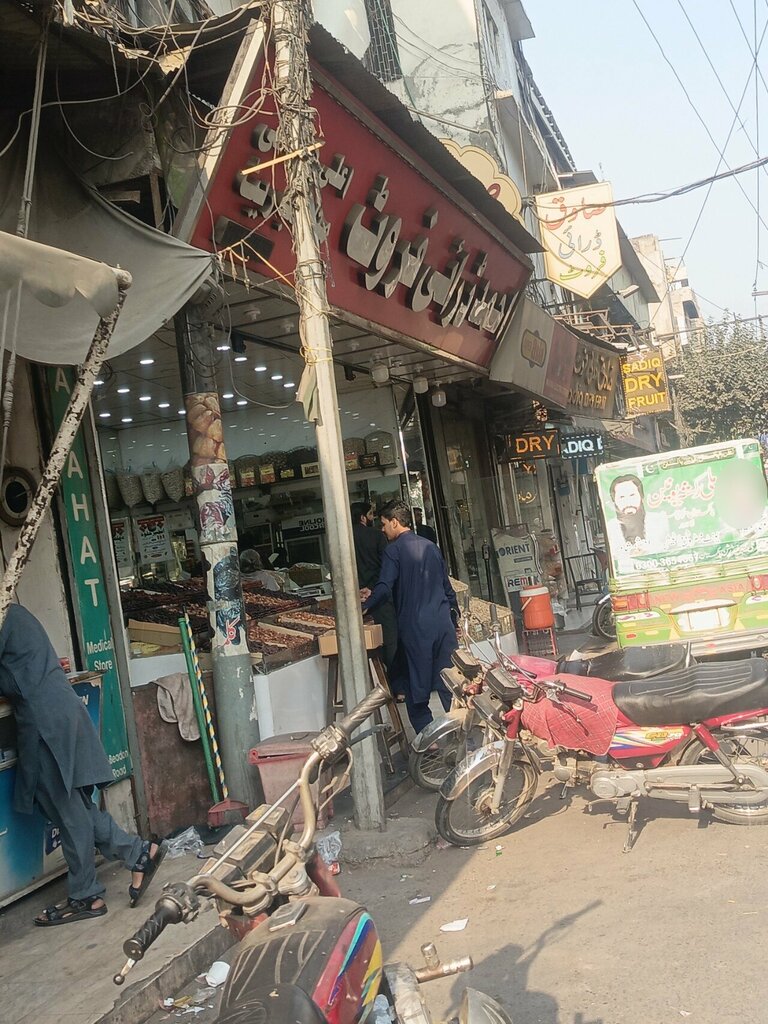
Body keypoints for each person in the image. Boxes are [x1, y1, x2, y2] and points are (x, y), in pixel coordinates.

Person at [0, 605, 164, 926]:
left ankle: (86, 896)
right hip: (55, 712)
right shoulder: (13, 610)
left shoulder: (3, 614)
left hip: (45, 721)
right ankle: (138, 854)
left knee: (67, 810)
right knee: (72, 806)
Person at [362, 501, 459, 733]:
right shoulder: (430, 547)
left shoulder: (393, 551)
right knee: (449, 681)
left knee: (416, 685)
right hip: (442, 624)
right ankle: (462, 731)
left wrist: (365, 607)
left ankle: (428, 738)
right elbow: (448, 588)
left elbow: (384, 587)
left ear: (395, 522)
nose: (383, 530)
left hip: (416, 627)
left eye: (384, 524)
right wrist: (454, 620)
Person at [350, 501, 398, 673]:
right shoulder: (376, 535)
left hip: (354, 598)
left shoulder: (343, 538)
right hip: (379, 595)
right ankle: (393, 680)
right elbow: (386, 566)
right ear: (363, 517)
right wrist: (373, 588)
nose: (373, 518)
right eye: (370, 514)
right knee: (389, 638)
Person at [606, 473, 668, 572]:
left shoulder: (658, 520)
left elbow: (666, 548)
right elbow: (614, 556)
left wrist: (645, 551)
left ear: (641, 496)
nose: (628, 502)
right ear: (614, 501)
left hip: (658, 572)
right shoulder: (611, 527)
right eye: (622, 497)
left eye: (632, 495)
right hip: (628, 575)